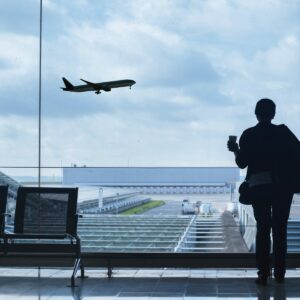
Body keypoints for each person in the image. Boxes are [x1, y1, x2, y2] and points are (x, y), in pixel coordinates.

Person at [227, 98, 300, 285]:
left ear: (256, 113)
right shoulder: (283, 133)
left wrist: (235, 149)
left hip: (259, 186)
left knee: (263, 229)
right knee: (280, 230)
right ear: (273, 114)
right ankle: (280, 273)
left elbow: (242, 163)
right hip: (282, 187)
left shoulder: (249, 135)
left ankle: (263, 273)